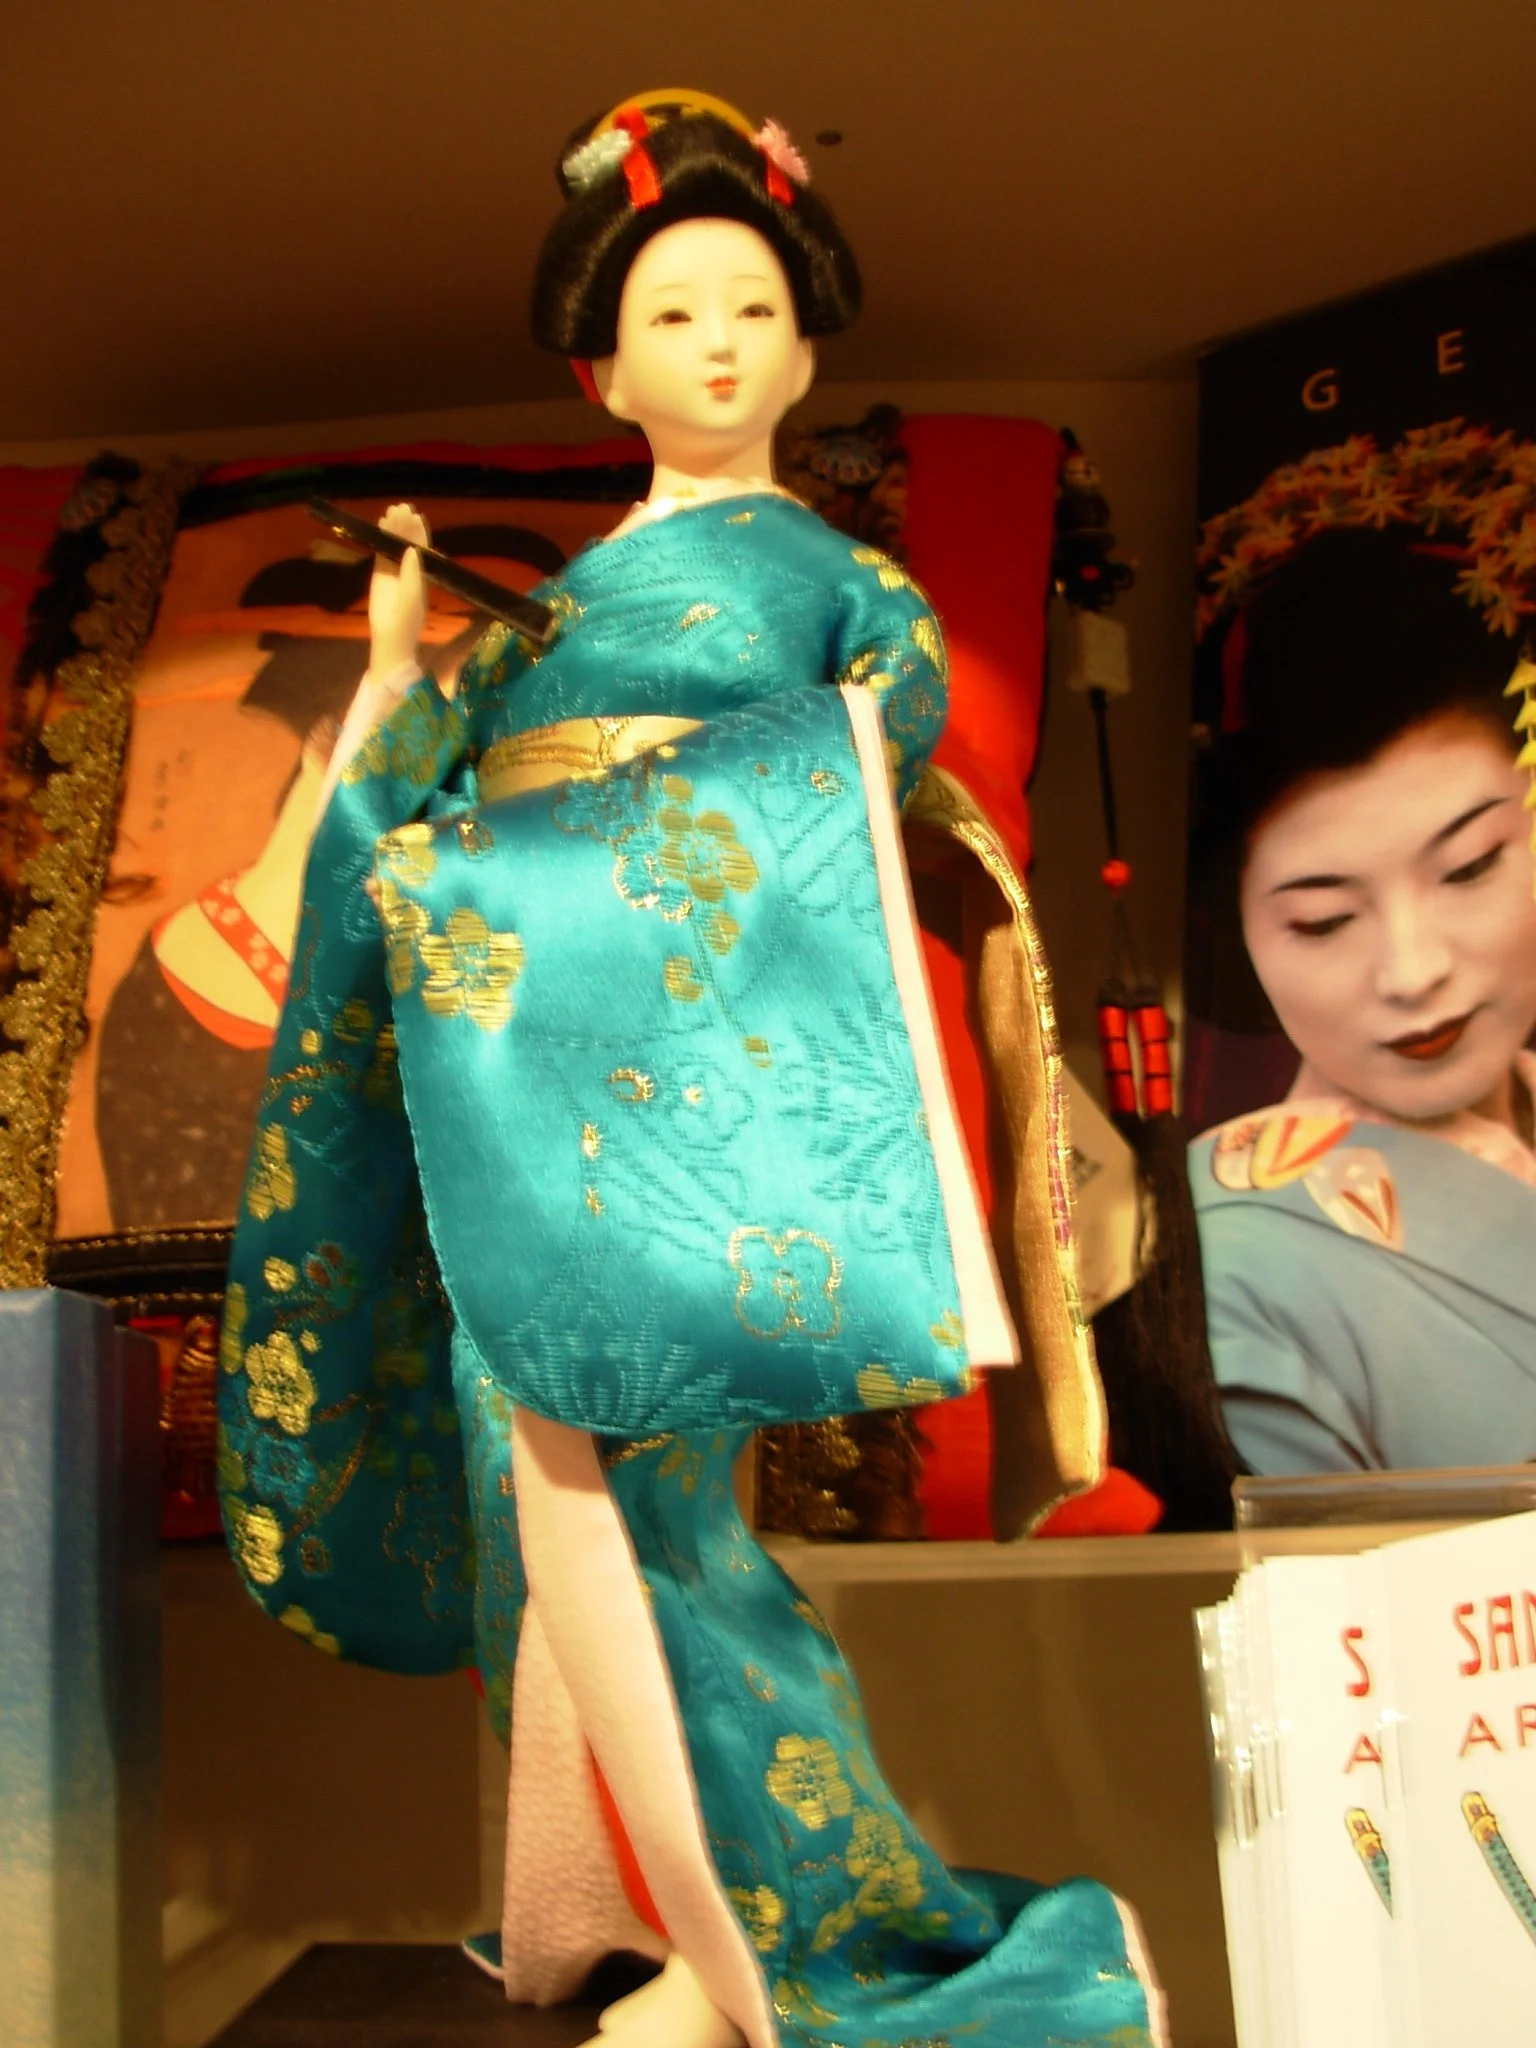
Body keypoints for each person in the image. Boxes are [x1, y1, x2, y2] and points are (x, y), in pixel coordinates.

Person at [219, 92, 1161, 2048]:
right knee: (526, 1488)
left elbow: (880, 758)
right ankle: (594, 1916)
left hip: (694, 1068)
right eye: (674, 313)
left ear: (807, 351)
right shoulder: (547, 614)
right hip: (526, 1071)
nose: (719, 344)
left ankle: (774, 1953)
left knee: (657, 1515)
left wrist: (666, 839)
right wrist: (393, 679)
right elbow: (414, 802)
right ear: (603, 368)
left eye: (753, 308)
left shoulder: (834, 582)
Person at [1188, 526, 1536, 1475]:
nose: (1413, 971)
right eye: (1325, 920)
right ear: (1240, 927)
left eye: (1470, 867)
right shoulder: (1233, 1261)